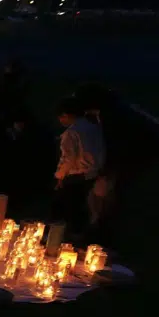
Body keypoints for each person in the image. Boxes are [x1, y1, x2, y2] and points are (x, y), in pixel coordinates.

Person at [75, 83, 159, 236]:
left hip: (144, 149)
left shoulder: (113, 116)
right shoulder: (114, 108)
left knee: (112, 188)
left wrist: (106, 172)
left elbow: (116, 146)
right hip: (143, 145)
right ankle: (99, 223)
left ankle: (103, 229)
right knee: (108, 187)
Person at [52, 96, 104, 241]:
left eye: (61, 118)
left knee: (69, 207)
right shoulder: (94, 128)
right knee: (85, 206)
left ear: (66, 115)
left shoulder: (71, 133)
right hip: (93, 174)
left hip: (77, 175)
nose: (60, 122)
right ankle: (83, 235)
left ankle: (65, 238)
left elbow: (68, 158)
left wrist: (59, 176)